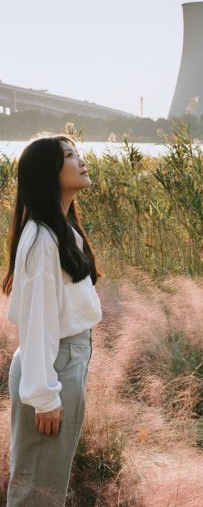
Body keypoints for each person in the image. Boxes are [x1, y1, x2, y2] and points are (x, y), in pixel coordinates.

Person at [2, 135, 103, 507]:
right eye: (69, 156)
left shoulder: (62, 230)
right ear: (48, 172)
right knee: (36, 493)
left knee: (45, 486)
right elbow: (38, 322)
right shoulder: (44, 238)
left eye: (77, 152)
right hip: (54, 364)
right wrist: (44, 396)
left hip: (64, 361)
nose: (81, 160)